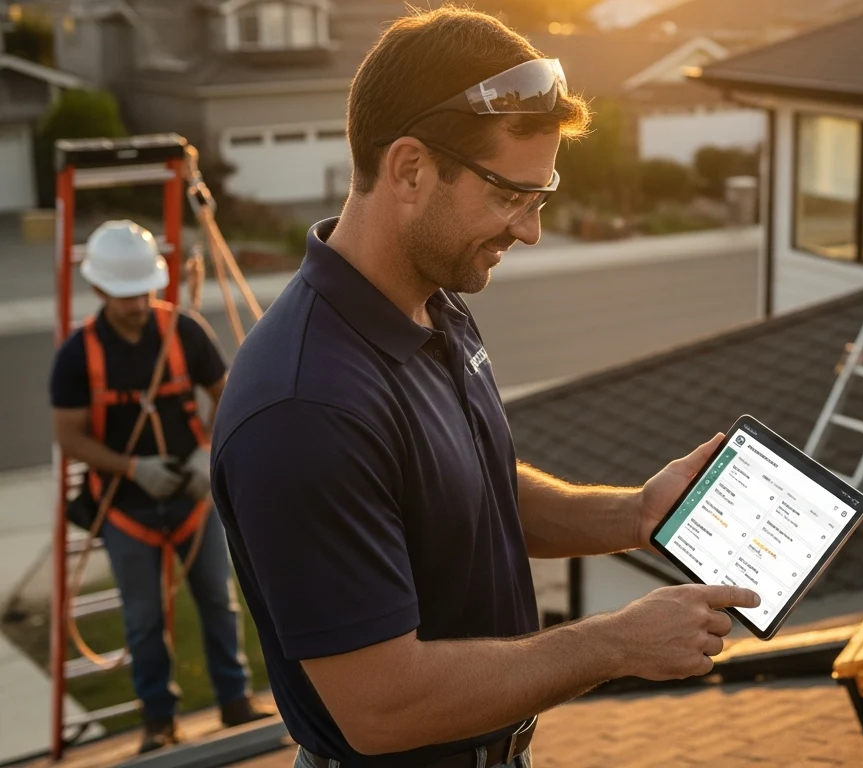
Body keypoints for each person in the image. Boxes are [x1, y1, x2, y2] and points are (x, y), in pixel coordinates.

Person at [209, 9, 761, 768]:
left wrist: (633, 514)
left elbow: (473, 490)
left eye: (542, 196)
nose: (529, 230)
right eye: (511, 195)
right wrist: (614, 642)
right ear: (409, 170)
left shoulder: (436, 300)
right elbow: (382, 705)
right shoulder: (306, 408)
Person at [49, 220, 272, 754]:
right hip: (127, 506)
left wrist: (204, 454)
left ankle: (234, 698)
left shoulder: (185, 332)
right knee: (143, 619)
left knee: (220, 604)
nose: (137, 304)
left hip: (192, 496)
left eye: (143, 292)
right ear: (100, 289)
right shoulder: (78, 356)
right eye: (125, 295)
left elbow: (229, 395)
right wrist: (132, 468)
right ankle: (157, 718)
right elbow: (70, 437)